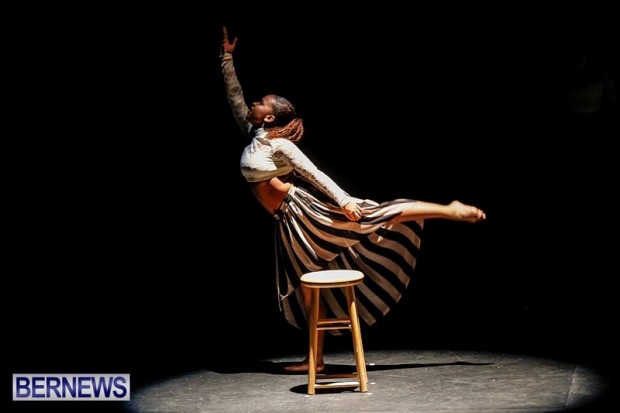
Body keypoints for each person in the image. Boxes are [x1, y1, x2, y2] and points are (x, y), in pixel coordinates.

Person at [220, 26, 486, 373]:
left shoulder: (281, 145)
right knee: (306, 285)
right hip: (286, 222)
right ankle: (314, 359)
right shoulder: (256, 135)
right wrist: (227, 58)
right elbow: (235, 98)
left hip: (302, 211)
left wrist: (344, 200)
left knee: (372, 215)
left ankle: (449, 210)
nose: (254, 104)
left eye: (260, 103)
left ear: (269, 116)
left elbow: (314, 174)